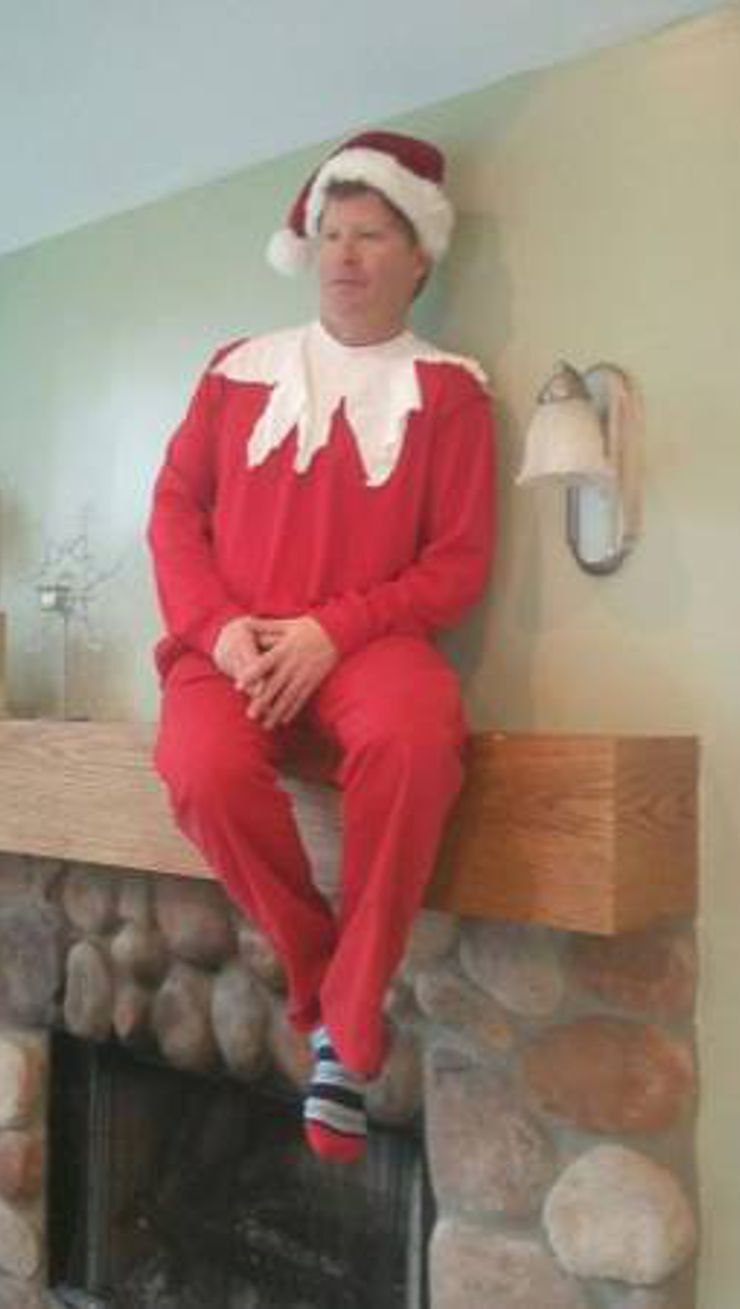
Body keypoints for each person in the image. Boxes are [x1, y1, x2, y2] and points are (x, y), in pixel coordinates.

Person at [148, 130, 495, 1163]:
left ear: (418, 258)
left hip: (366, 642)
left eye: (371, 235)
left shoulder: (450, 393)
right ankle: (330, 994)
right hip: (231, 640)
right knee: (201, 768)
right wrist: (220, 629)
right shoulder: (235, 371)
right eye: (331, 232)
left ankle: (346, 1010)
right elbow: (173, 514)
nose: (345, 253)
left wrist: (330, 630)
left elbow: (456, 567)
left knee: (417, 740)